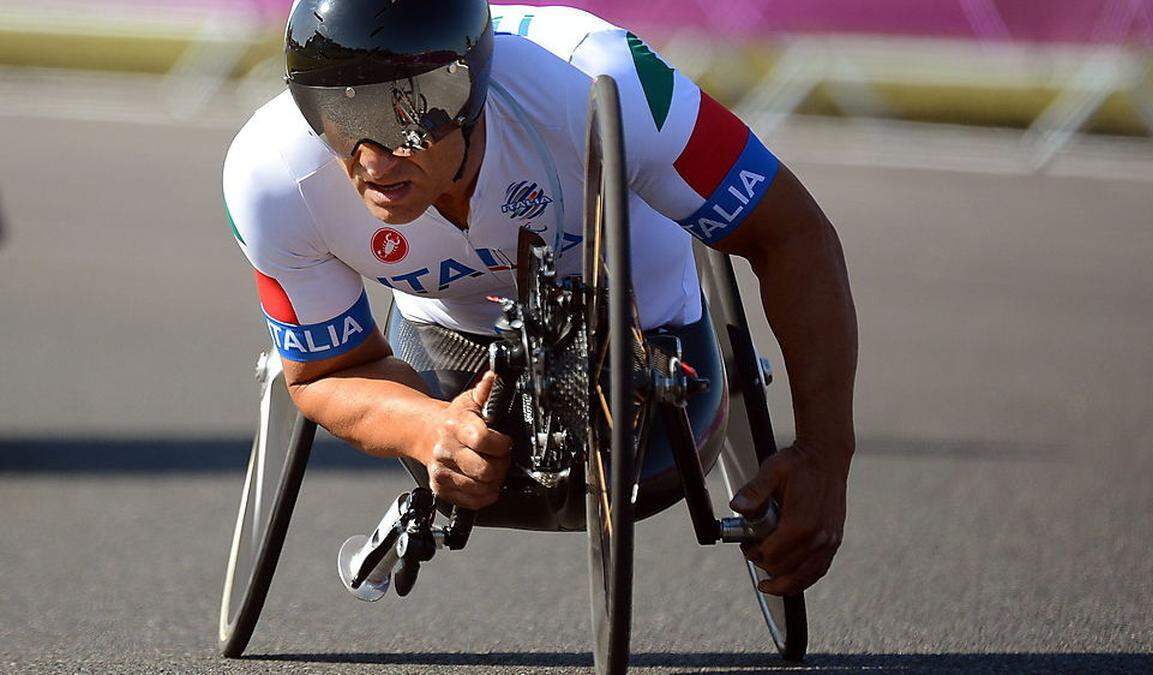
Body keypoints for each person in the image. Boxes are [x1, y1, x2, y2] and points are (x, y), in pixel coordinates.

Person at [223, 0, 857, 596]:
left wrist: (825, 457)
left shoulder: (598, 73)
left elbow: (794, 234)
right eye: (343, 114)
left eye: (409, 115)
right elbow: (325, 374)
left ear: (469, 88)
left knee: (651, 474)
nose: (373, 159)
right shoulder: (272, 173)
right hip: (451, 333)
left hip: (641, 302)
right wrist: (427, 427)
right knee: (481, 480)